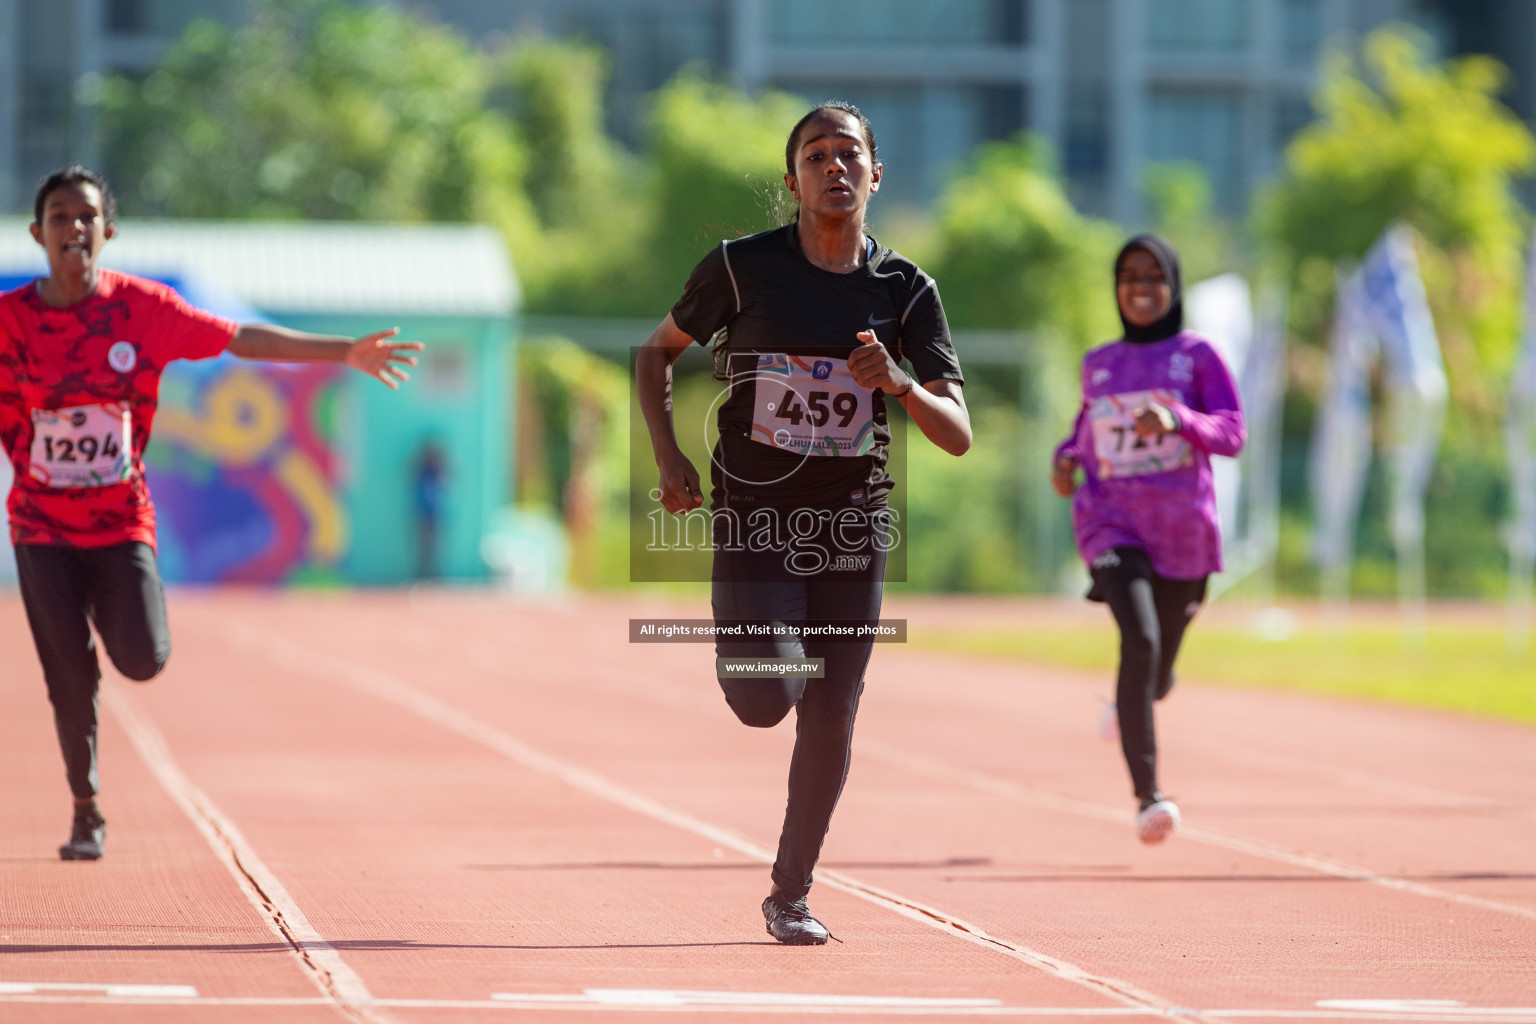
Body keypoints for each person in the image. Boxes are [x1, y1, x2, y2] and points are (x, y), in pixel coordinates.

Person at [0, 166, 422, 861]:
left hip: (118, 523)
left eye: (85, 217)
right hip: (39, 526)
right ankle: (87, 810)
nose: (73, 228)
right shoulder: (11, 320)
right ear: (37, 234)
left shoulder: (142, 310)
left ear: (107, 231)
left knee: (140, 659)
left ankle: (117, 620)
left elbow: (242, 340)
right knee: (68, 675)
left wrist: (342, 353)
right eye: (58, 217)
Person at [636, 103, 969, 944]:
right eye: (815, 155)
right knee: (764, 697)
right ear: (793, 181)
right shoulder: (742, 271)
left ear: (875, 173)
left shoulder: (907, 291)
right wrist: (669, 458)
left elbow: (957, 432)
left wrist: (899, 382)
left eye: (848, 152)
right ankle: (745, 663)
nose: (834, 166)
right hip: (754, 516)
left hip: (852, 524)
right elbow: (655, 353)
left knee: (833, 706)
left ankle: (791, 892)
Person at [1051, 233, 1245, 845]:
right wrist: (1063, 459)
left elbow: (1233, 432)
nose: (1140, 287)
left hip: (1184, 532)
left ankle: (1135, 697)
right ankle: (1148, 797)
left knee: (1155, 671)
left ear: (1174, 287)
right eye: (1129, 276)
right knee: (1138, 641)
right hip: (1112, 523)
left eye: (1153, 276)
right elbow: (1088, 430)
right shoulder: (1099, 362)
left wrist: (1179, 419)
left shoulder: (1198, 357)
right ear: (1116, 289)